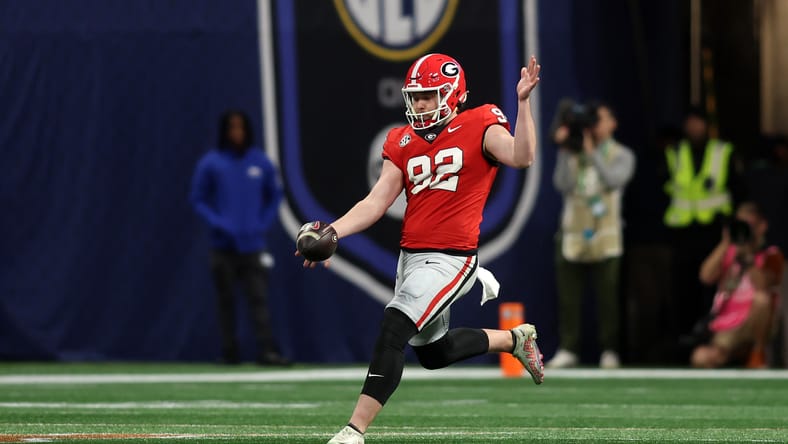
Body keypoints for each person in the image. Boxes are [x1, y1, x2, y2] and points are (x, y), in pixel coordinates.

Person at [298, 53, 545, 444]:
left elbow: (522, 155)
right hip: (411, 258)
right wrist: (333, 233)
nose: (420, 103)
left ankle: (353, 431)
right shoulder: (402, 140)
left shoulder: (480, 122)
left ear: (453, 94)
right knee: (434, 354)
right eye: (415, 96)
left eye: (429, 95)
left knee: (394, 326)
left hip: (452, 259)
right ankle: (514, 339)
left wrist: (523, 103)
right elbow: (375, 202)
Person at [190, 110, 289, 366]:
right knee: (226, 300)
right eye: (232, 127)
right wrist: (219, 223)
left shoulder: (260, 162)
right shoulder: (212, 163)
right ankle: (229, 351)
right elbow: (198, 199)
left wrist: (261, 223)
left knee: (259, 298)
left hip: (253, 245)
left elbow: (275, 195)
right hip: (222, 245)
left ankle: (267, 350)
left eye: (241, 127)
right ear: (224, 131)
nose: (237, 133)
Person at [547, 101, 635, 369]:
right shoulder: (573, 153)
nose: (595, 125)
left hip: (606, 236)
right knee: (568, 297)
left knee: (607, 297)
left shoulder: (622, 154)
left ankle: (609, 349)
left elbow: (613, 181)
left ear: (613, 124)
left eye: (601, 119)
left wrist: (592, 152)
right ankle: (568, 348)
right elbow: (561, 184)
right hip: (573, 233)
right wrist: (565, 149)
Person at [664, 107, 743, 355]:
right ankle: (682, 341)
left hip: (713, 231)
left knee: (712, 287)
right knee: (683, 288)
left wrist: (731, 227)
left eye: (699, 122)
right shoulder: (674, 153)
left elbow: (738, 189)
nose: (695, 127)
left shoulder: (723, 152)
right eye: (691, 122)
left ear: (707, 126)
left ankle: (710, 336)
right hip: (683, 232)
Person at [690, 202, 783, 368]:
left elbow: (763, 284)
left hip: (756, 323)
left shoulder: (771, 255)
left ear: (762, 227)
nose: (744, 230)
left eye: (749, 225)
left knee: (761, 299)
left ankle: (757, 353)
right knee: (700, 357)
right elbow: (705, 276)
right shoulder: (728, 253)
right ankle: (734, 356)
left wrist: (747, 258)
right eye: (740, 225)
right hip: (728, 324)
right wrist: (725, 243)